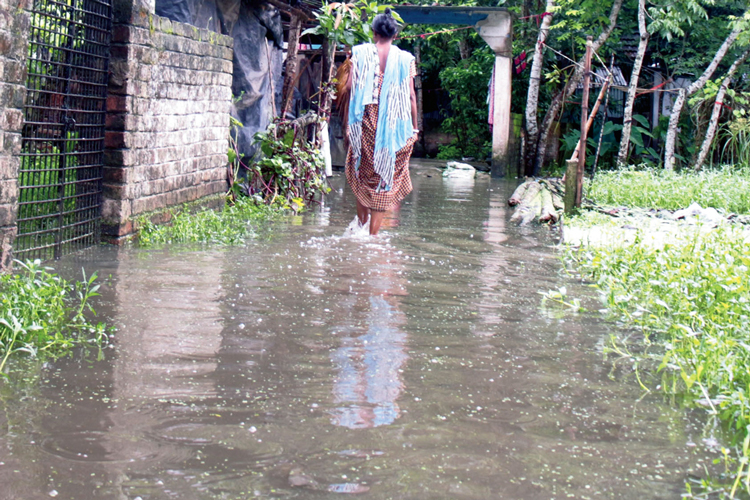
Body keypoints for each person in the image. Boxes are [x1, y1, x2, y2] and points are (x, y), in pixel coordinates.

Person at [345, 8, 419, 236]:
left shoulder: (359, 53)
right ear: (394, 35)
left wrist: (350, 124)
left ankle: (360, 225)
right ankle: (373, 237)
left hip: (366, 120)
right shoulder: (406, 59)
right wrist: (414, 128)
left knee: (361, 171)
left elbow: (349, 88)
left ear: (374, 32)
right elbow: (411, 96)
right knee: (384, 177)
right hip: (395, 125)